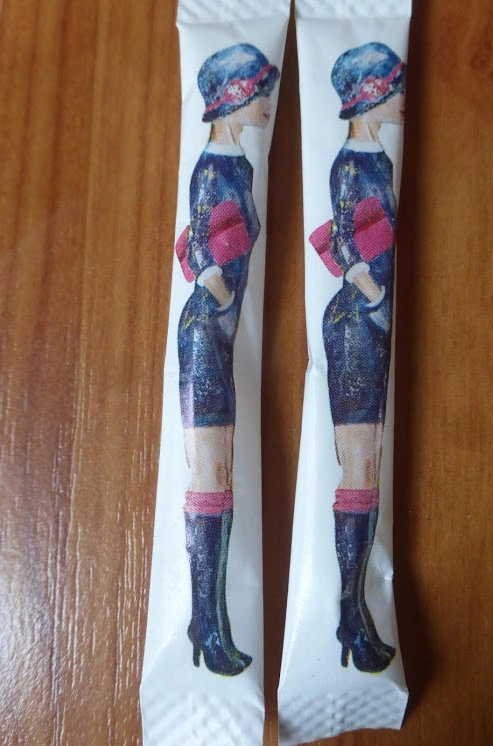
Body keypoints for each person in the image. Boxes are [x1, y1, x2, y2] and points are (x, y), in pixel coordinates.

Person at [176, 43, 279, 676]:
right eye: (259, 93)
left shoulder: (236, 164)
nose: (266, 103)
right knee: (211, 478)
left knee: (220, 477)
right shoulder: (214, 171)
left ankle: (208, 620)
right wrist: (218, 300)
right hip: (206, 340)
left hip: (221, 339)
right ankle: (207, 625)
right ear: (235, 98)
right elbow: (201, 257)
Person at [321, 42, 406, 673]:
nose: (402, 100)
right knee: (358, 469)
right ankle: (350, 617)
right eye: (394, 89)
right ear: (371, 96)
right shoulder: (352, 164)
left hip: (371, 325)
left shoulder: (377, 156)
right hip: (355, 327)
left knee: (367, 469)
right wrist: (375, 298)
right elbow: (346, 244)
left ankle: (354, 616)